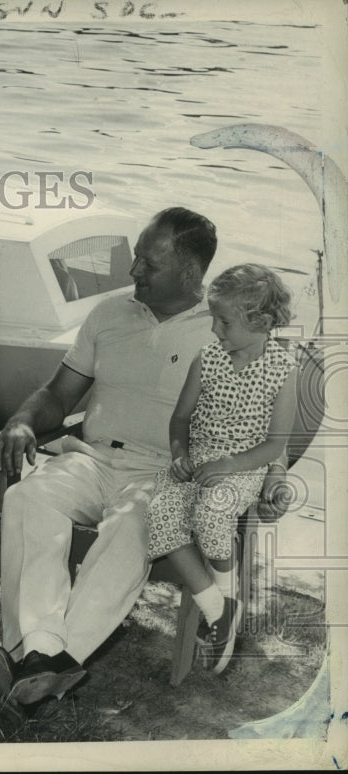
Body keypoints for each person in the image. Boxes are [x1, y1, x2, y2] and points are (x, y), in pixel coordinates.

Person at [0, 207, 289, 707]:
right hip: (91, 457)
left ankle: (47, 661)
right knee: (27, 499)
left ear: (190, 271)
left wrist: (273, 476)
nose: (134, 271)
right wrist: (21, 421)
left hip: (167, 472)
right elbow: (58, 394)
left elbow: (265, 415)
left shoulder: (224, 329)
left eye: (149, 262)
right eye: (137, 258)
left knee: (134, 524)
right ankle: (43, 652)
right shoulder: (108, 314)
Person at [146, 264, 297, 675]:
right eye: (213, 318)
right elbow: (181, 418)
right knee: (160, 512)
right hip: (198, 459)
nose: (214, 329)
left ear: (261, 322)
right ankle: (219, 608)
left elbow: (275, 445)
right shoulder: (207, 358)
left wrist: (229, 465)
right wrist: (180, 454)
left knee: (212, 513)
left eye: (224, 321)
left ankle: (224, 601)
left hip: (244, 465)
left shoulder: (283, 371)